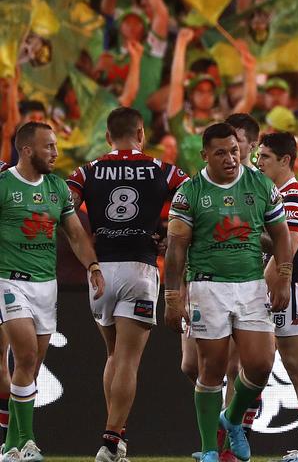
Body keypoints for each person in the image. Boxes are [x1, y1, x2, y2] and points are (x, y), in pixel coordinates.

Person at [163, 123, 293, 462]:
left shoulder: (261, 185)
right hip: (207, 286)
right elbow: (176, 249)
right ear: (205, 155)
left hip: (251, 285)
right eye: (221, 152)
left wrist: (283, 274)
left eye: (234, 151)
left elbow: (281, 235)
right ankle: (209, 449)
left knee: (261, 364)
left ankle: (232, 418)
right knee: (212, 368)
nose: (230, 158)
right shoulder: (189, 192)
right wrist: (172, 297)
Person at [66, 107, 189, 462]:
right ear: (141, 133)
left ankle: (116, 440)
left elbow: (66, 210)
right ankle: (110, 440)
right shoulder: (161, 169)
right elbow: (191, 199)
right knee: (128, 361)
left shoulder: (87, 171)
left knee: (112, 355)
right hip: (139, 267)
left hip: (100, 269)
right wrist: (167, 233)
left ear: (107, 136)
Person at [0, 122, 105, 462]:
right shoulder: (3, 185)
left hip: (47, 285)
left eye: (56, 146)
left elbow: (75, 235)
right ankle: (29, 441)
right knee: (26, 355)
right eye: (49, 147)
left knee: (30, 367)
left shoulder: (57, 188)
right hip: (9, 280)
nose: (56, 153)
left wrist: (93, 266)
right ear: (27, 150)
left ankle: (9, 445)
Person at [256, 132, 298, 462]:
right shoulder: (276, 196)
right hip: (286, 287)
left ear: (286, 160)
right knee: (254, 368)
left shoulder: (293, 197)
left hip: (292, 287)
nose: (258, 162)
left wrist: (260, 292)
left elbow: (287, 253)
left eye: (266, 157)